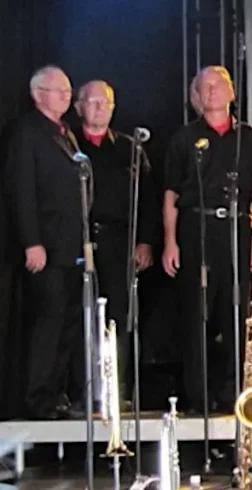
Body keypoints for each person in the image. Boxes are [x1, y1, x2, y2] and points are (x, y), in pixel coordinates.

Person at [162, 65, 252, 413]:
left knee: (235, 313)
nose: (212, 92)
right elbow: (171, 194)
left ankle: (235, 392)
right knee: (197, 314)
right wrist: (170, 241)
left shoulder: (248, 138)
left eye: (218, 85)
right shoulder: (184, 138)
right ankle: (198, 396)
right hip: (196, 230)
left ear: (232, 93)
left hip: (236, 229)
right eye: (204, 87)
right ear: (196, 96)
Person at [72, 80, 157, 411]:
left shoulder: (129, 148)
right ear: (78, 107)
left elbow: (148, 198)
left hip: (119, 242)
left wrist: (145, 242)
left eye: (105, 102)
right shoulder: (68, 144)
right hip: (77, 241)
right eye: (91, 102)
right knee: (79, 316)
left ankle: (116, 390)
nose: (98, 108)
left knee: (118, 318)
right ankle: (81, 392)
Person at [6, 66, 80, 420]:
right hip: (45, 246)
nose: (66, 96)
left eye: (68, 91)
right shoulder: (27, 132)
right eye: (58, 90)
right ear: (38, 94)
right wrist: (31, 241)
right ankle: (38, 397)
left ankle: (56, 392)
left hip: (70, 247)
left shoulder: (66, 134)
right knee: (47, 323)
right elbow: (22, 190)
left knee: (66, 322)